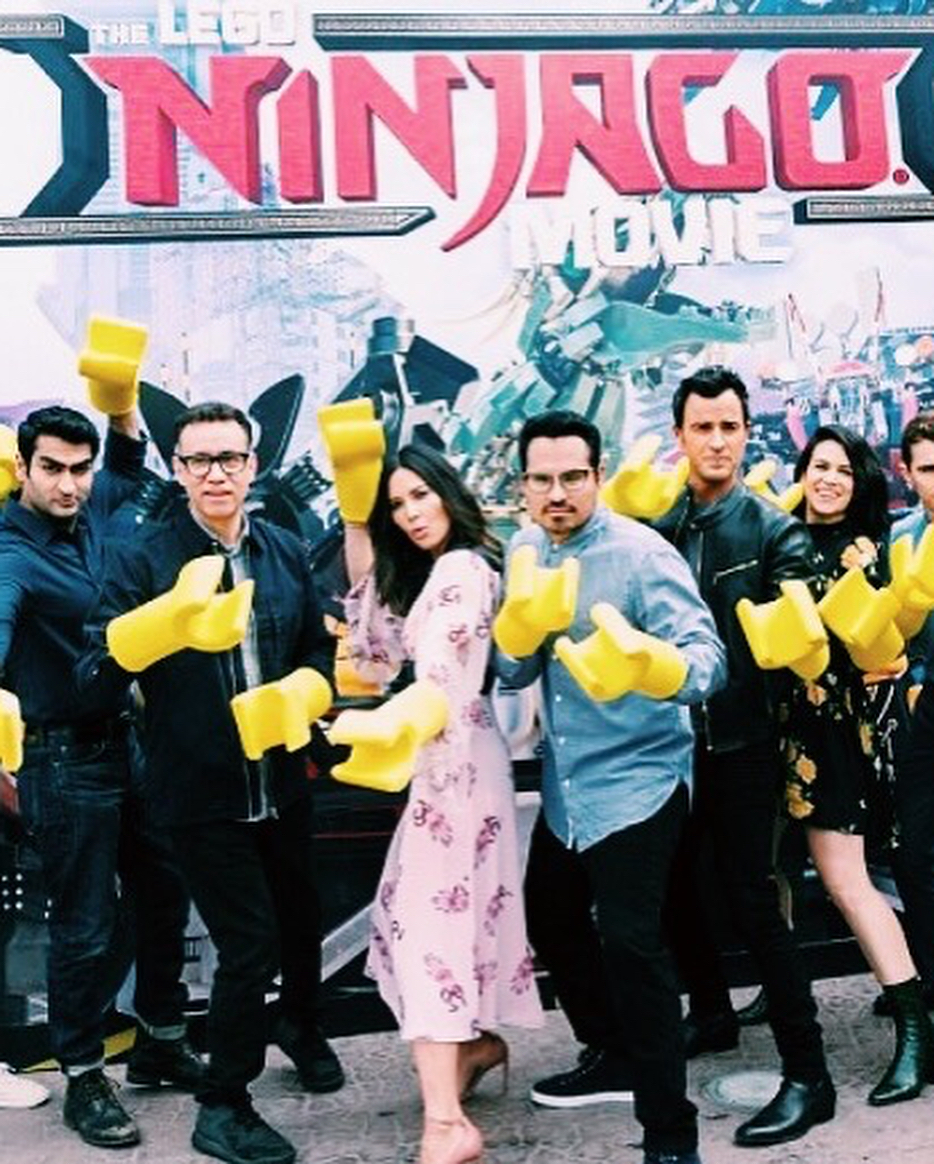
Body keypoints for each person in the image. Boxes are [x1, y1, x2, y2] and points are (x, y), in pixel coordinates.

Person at [78, 401, 342, 1164]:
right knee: (249, 944)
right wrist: (154, 630)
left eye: (229, 458)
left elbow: (316, 651)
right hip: (198, 790)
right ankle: (223, 1104)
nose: (216, 473)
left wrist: (305, 690)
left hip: (281, 778)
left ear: (253, 465)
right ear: (178, 469)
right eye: (199, 460)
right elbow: (92, 677)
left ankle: (300, 1024)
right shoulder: (143, 558)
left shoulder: (284, 549)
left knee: (300, 921)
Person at [498, 410, 726, 1164]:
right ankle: (614, 1051)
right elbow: (512, 673)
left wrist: (651, 667)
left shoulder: (640, 553)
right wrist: (516, 639)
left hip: (640, 776)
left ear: (597, 475)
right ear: (523, 485)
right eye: (542, 479)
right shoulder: (524, 550)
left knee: (632, 946)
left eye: (573, 476)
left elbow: (709, 661)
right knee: (551, 917)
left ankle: (670, 1132)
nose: (557, 493)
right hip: (567, 786)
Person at [0, 404, 202, 1148]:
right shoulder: (9, 553)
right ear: (23, 467)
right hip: (60, 757)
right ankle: (84, 1074)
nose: (69, 484)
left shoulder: (96, 505)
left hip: (128, 742)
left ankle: (161, 1040)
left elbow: (124, 458)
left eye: (78, 469)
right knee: (85, 925)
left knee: (166, 891)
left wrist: (122, 406)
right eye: (51, 468)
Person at [340, 441, 543, 1164]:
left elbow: (440, 674)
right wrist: (357, 526)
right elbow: (372, 656)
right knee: (433, 927)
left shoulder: (463, 569)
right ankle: (474, 1048)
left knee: (429, 933)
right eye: (396, 505)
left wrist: (405, 726)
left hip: (456, 762)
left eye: (420, 495)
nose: (410, 513)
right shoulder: (426, 574)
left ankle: (447, 1125)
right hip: (440, 761)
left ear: (447, 493)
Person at [654, 366, 835, 1147]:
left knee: (753, 902)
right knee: (672, 890)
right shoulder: (659, 524)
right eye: (703, 427)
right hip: (669, 744)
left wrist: (798, 630)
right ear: (680, 435)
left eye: (730, 426)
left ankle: (809, 1073)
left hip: (743, 740)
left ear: (747, 432)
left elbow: (801, 629)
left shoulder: (771, 530)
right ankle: (712, 1013)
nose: (717, 441)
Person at [781, 423, 934, 1104]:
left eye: (844, 470)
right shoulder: (779, 536)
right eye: (820, 466)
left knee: (848, 881)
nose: (830, 479)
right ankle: (780, 993)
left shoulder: (865, 551)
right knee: (769, 875)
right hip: (769, 733)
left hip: (833, 733)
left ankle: (915, 1028)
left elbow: (883, 649)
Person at [887, 412, 934, 1011]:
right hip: (924, 705)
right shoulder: (901, 537)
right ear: (907, 472)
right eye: (929, 468)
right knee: (913, 849)